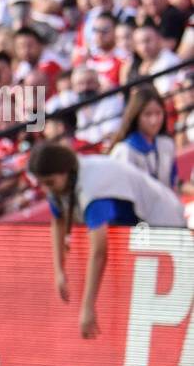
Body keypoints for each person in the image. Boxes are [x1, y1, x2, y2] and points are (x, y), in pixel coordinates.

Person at [27, 141, 186, 340]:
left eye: (49, 183)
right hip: (137, 223)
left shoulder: (93, 192)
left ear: (65, 172)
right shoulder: (60, 183)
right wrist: (59, 270)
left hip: (163, 217)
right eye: (41, 183)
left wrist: (87, 307)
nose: (45, 189)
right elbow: (57, 221)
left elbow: (99, 252)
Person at [107, 86, 181, 191]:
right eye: (147, 114)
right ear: (136, 116)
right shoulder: (124, 151)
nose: (154, 120)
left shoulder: (166, 144)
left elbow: (173, 182)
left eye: (158, 113)